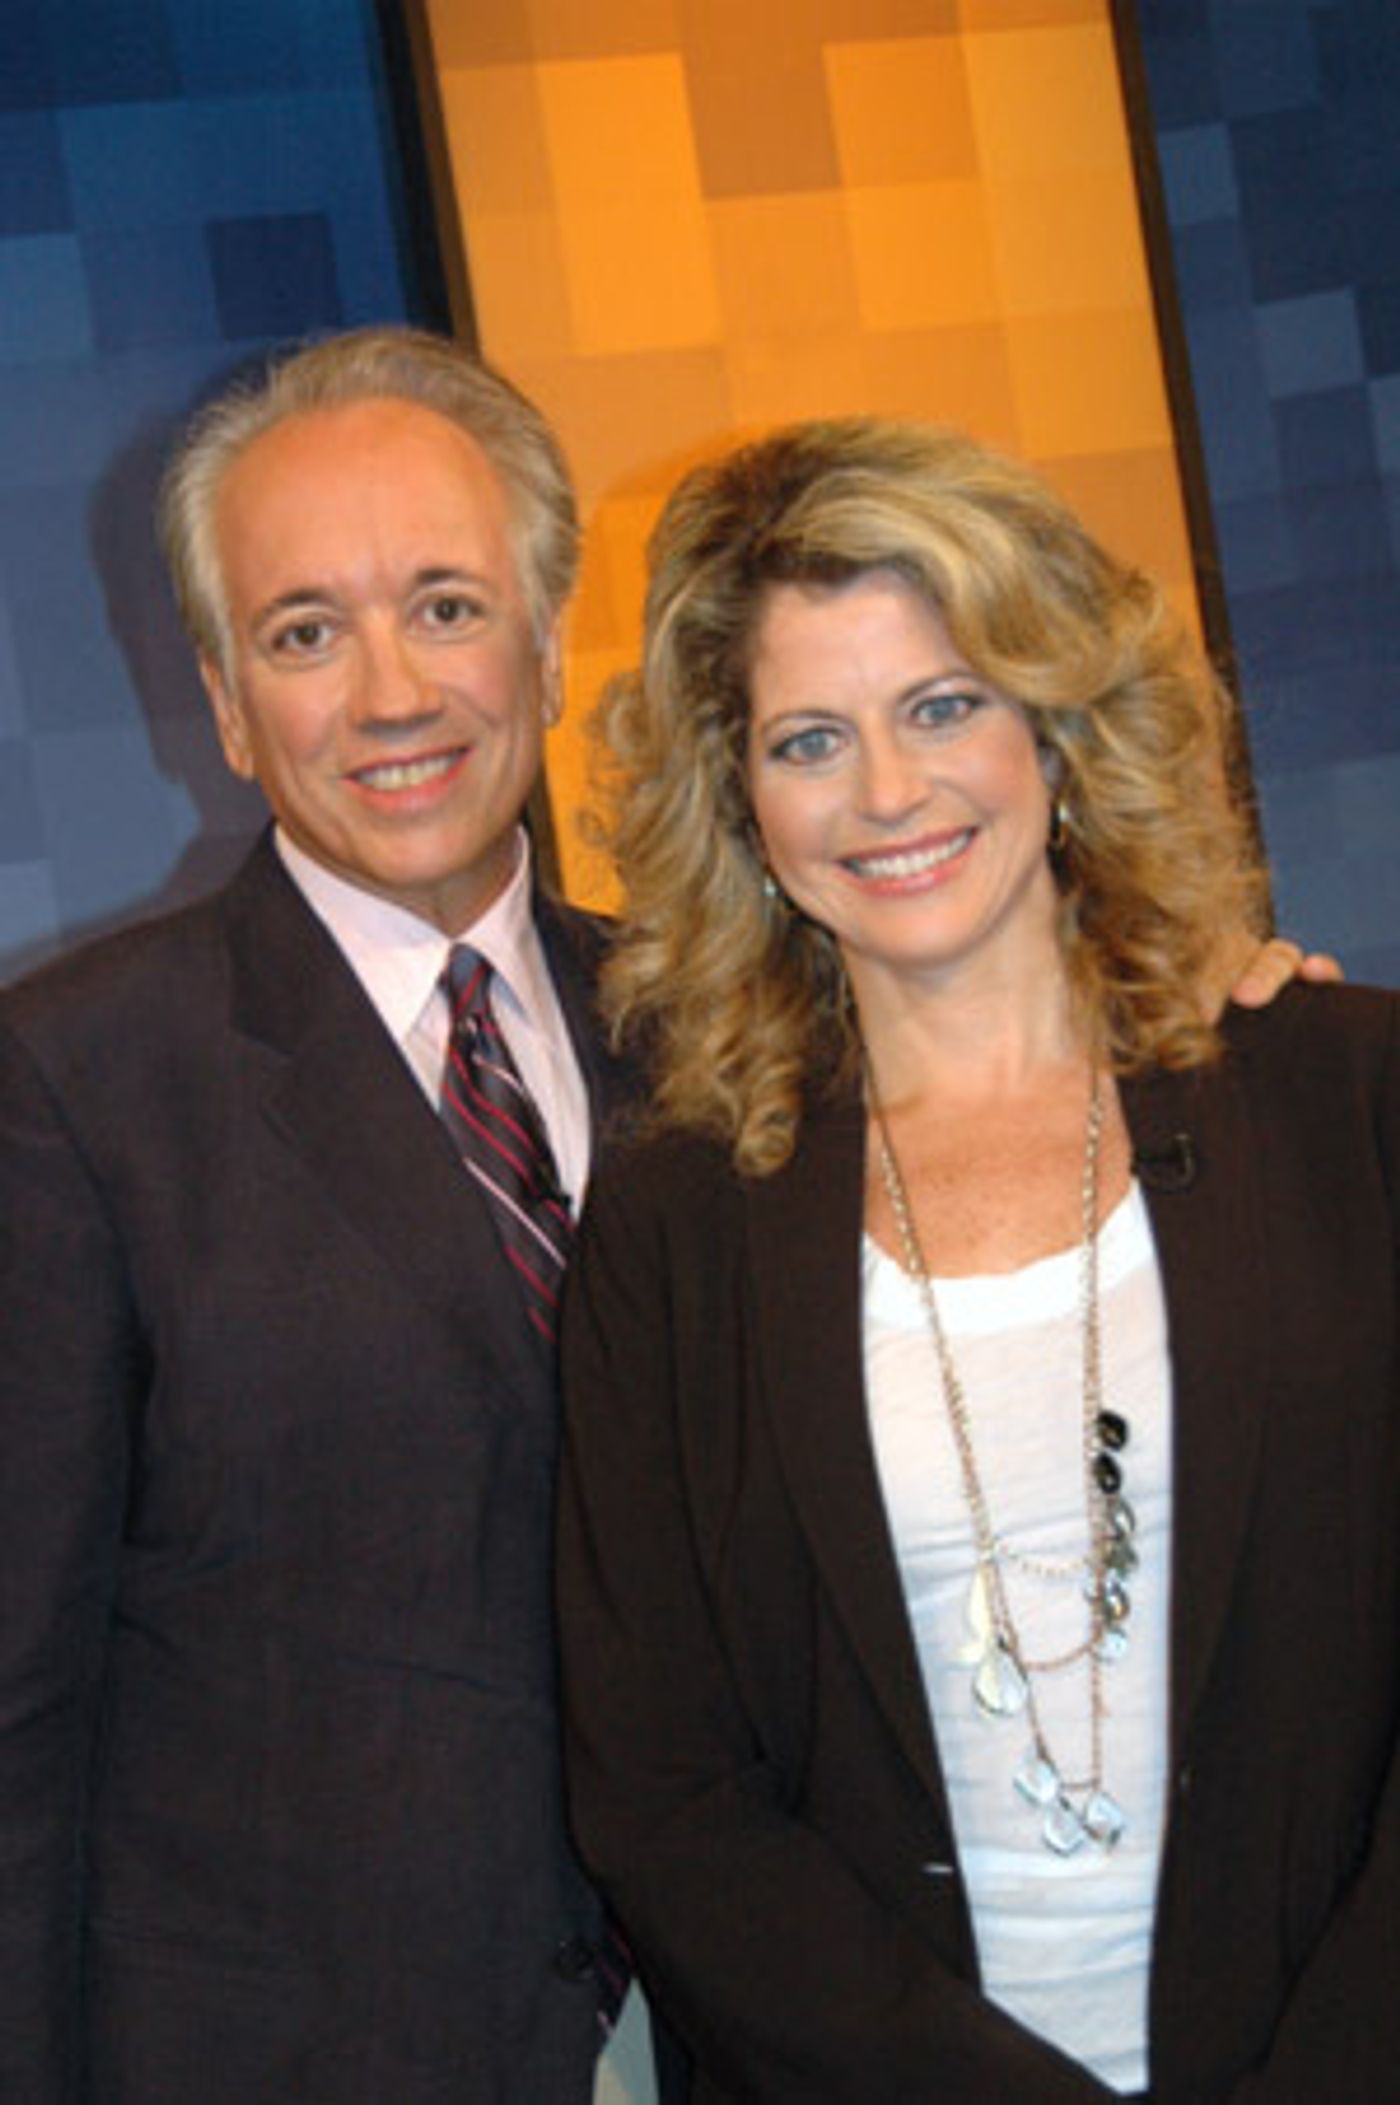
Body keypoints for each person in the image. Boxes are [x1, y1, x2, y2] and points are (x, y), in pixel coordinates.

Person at [555, 417, 1398, 2102]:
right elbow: (663, 1795)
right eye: (810, 738)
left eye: (944, 706)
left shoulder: (1352, 1098)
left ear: (1057, 728)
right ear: (742, 804)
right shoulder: (672, 1235)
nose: (887, 793)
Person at [0, 327, 650, 2102]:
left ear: (548, 639)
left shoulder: (714, 1031)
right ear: (226, 705)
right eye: (305, 632)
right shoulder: (69, 1087)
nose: (391, 693)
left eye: (446, 606)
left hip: (725, 2026)